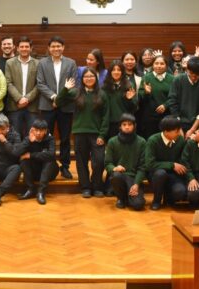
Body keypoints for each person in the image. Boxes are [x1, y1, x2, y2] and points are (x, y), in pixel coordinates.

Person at [36, 36, 78, 179]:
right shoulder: (42, 63)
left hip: (66, 106)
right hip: (47, 105)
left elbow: (73, 85)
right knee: (46, 136)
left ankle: (65, 166)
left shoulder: (71, 63)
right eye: (53, 46)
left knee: (65, 138)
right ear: (49, 48)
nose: (56, 49)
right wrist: (54, 97)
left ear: (63, 47)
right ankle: (47, 164)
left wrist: (59, 100)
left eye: (58, 46)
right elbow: (40, 83)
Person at [69, 69, 109, 198]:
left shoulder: (102, 94)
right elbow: (59, 101)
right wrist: (65, 89)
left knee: (99, 161)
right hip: (80, 132)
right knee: (81, 161)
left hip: (96, 133)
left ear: (96, 78)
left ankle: (97, 186)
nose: (89, 78)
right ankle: (85, 187)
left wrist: (102, 135)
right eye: (86, 76)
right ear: (82, 79)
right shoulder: (76, 92)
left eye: (91, 76)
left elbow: (106, 116)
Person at [106, 114, 147, 211]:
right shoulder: (112, 141)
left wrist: (136, 184)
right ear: (120, 126)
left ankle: (129, 197)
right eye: (124, 124)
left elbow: (143, 166)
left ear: (134, 126)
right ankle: (120, 198)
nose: (127, 127)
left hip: (134, 178)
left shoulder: (142, 142)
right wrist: (114, 168)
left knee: (138, 205)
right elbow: (108, 163)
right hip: (120, 176)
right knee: (115, 175)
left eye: (130, 124)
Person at [144, 115, 187, 210]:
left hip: (173, 174)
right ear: (166, 131)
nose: (179, 133)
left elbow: (183, 159)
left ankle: (168, 199)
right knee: (161, 174)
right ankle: (156, 201)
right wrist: (171, 165)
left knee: (180, 192)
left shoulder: (180, 140)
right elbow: (149, 164)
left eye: (179, 130)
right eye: (176, 131)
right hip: (156, 174)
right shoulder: (153, 140)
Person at [166, 56, 199, 139]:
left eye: (197, 75)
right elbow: (172, 102)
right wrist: (179, 127)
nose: (193, 77)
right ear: (187, 69)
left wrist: (193, 129)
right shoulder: (178, 80)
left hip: (198, 123)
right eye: (191, 73)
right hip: (179, 121)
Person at [4, 36, 39, 138]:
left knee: (31, 136)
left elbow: (39, 84)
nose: (24, 49)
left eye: (26, 46)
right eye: (22, 47)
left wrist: (27, 99)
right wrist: (19, 98)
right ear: (17, 48)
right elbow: (8, 82)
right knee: (15, 136)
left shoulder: (38, 63)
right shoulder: (9, 63)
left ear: (31, 48)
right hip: (15, 105)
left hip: (32, 106)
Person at [17, 118, 57, 205]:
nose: (38, 133)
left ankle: (41, 192)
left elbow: (51, 154)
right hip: (35, 172)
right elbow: (17, 152)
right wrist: (29, 141)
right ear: (32, 129)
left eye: (41, 130)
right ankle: (30, 189)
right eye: (36, 130)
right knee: (24, 160)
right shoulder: (28, 138)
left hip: (49, 173)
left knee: (49, 160)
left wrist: (31, 155)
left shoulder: (50, 139)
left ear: (45, 131)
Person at [138, 54, 173, 139]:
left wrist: (165, 105)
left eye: (162, 64)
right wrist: (146, 92)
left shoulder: (172, 79)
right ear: (152, 65)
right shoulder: (146, 77)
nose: (159, 66)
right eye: (156, 63)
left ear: (166, 65)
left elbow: (175, 96)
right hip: (149, 116)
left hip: (167, 116)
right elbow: (140, 96)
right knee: (150, 139)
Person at [102, 60, 138, 141]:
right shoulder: (105, 87)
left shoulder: (129, 85)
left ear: (122, 72)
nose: (116, 72)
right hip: (110, 124)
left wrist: (129, 99)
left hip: (126, 124)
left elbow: (134, 107)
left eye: (119, 70)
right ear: (110, 72)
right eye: (113, 70)